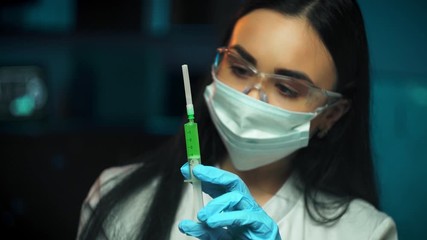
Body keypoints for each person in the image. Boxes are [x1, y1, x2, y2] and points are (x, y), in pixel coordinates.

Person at [77, 0, 398, 239]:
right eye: (241, 68)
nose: (250, 97)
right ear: (218, 65)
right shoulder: (119, 198)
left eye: (286, 88)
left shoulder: (364, 232)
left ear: (331, 114)